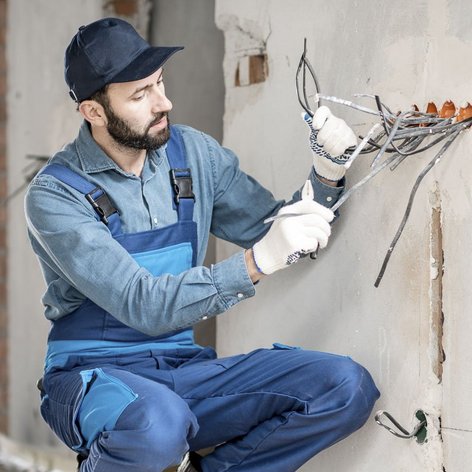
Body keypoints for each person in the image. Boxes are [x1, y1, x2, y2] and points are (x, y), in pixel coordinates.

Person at [25, 17, 380, 472]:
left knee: (343, 386)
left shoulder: (193, 155)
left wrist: (327, 173)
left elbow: (271, 227)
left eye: (160, 83)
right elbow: (143, 304)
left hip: (184, 372)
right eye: (140, 94)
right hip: (92, 381)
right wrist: (257, 263)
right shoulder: (56, 196)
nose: (164, 102)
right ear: (94, 112)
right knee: (159, 423)